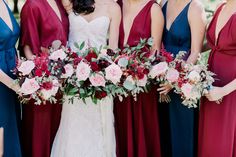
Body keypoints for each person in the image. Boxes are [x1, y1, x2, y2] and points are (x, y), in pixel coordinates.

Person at [50, 0, 121, 156]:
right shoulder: (71, 2)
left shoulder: (113, 7)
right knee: (72, 125)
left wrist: (106, 71)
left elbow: (113, 48)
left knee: (98, 126)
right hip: (72, 77)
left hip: (100, 77)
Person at [114, 0, 164, 156]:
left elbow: (155, 51)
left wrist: (137, 73)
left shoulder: (153, 9)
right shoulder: (117, 5)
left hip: (142, 84)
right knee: (120, 128)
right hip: (117, 83)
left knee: (142, 129)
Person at [20, 0, 69, 156]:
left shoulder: (60, 3)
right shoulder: (32, 5)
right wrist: (42, 79)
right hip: (42, 83)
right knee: (39, 133)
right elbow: (28, 48)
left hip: (61, 79)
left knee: (56, 133)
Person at [158, 0, 206, 156]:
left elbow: (195, 52)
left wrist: (174, 79)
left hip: (184, 83)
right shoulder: (163, 3)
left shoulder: (195, 7)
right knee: (163, 133)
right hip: (160, 80)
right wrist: (159, 74)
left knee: (182, 134)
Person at [198, 1, 236, 156]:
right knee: (209, 136)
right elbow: (213, 42)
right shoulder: (221, 6)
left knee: (222, 140)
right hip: (212, 81)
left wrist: (223, 91)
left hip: (230, 88)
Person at [0, 0, 22, 156]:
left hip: (13, 74)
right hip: (3, 81)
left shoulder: (4, 2)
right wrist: (13, 84)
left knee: (11, 127)